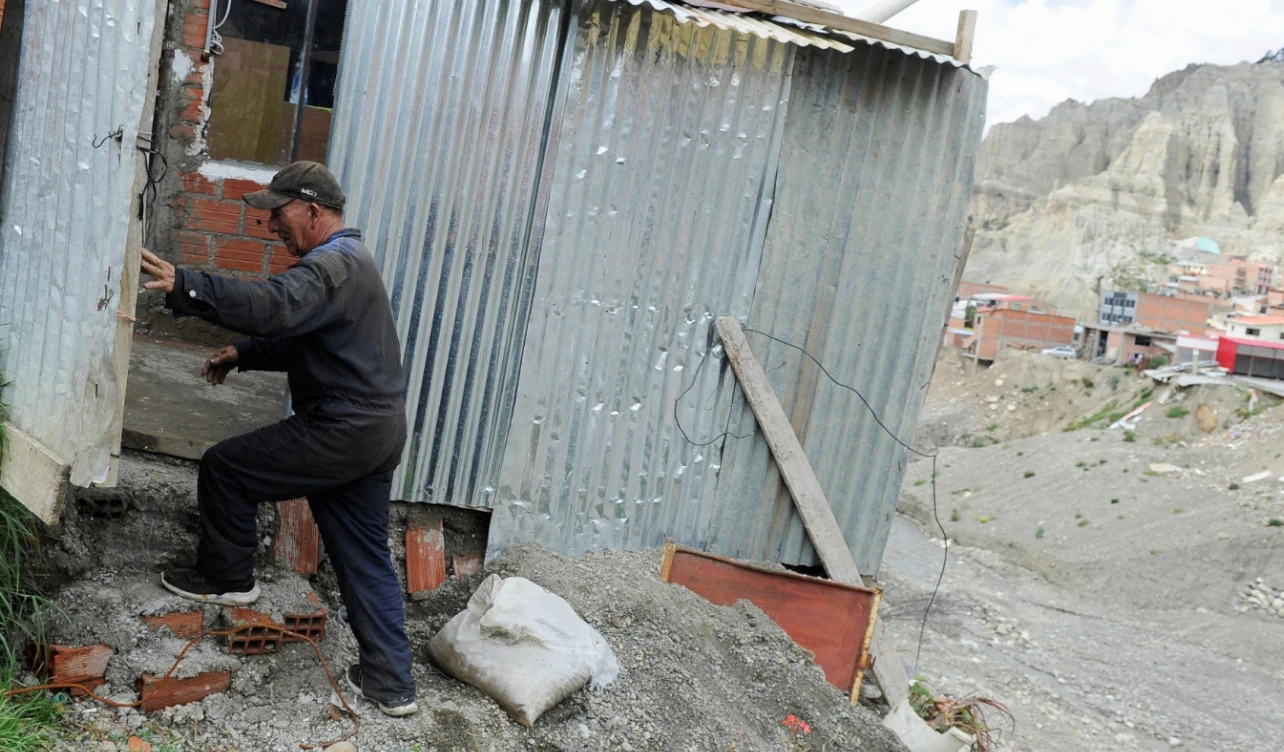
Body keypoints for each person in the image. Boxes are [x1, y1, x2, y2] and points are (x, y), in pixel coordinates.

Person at [139, 161, 418, 717]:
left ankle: (227, 578)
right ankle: (392, 685)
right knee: (365, 557)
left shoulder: (331, 266)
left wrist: (188, 284)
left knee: (227, 468)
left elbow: (275, 307)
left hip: (343, 426)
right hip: (378, 430)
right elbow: (308, 337)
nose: (270, 228)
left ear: (312, 211)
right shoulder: (350, 265)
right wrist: (244, 353)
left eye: (278, 214)